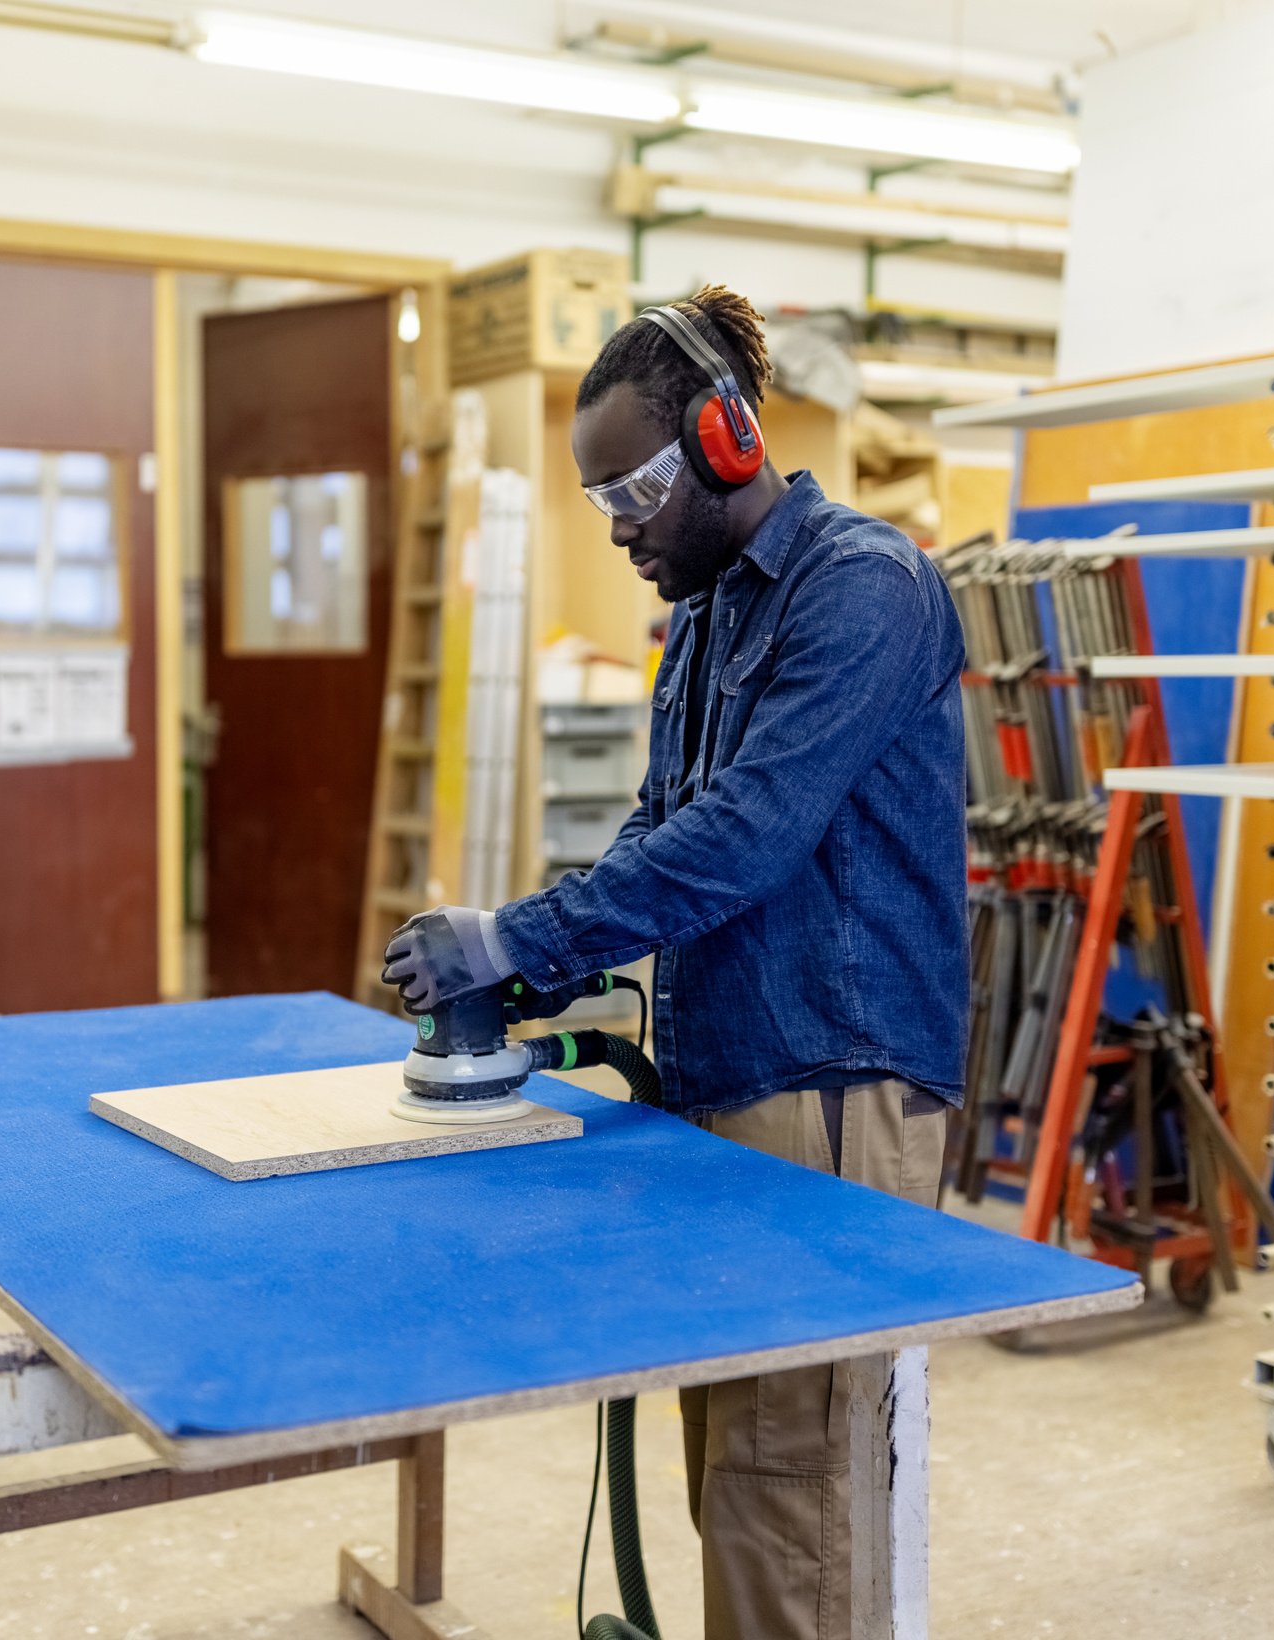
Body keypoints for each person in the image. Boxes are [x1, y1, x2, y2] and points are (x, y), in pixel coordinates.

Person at [382, 284, 968, 1640]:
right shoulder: (704, 608)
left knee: (791, 1479)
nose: (623, 527)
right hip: (724, 1074)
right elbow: (662, 827)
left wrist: (514, 938)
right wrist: (520, 968)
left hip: (829, 1082)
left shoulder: (862, 589)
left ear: (724, 439)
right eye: (598, 503)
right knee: (739, 1465)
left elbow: (745, 836)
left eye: (634, 488)